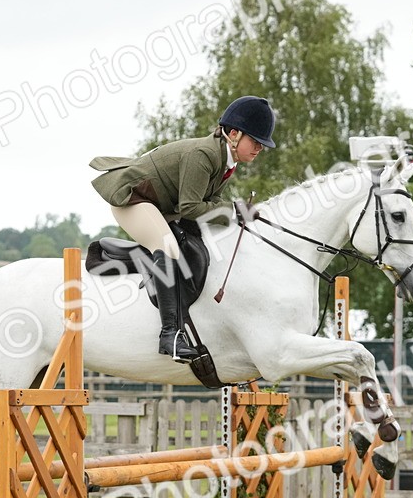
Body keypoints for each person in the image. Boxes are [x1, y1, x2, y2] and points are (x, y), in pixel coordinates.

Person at [89, 95, 276, 362]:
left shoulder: (226, 161)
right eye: (256, 141)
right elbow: (190, 208)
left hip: (160, 206)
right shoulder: (204, 155)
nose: (260, 148)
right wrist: (233, 211)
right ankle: (171, 336)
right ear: (234, 134)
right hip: (132, 199)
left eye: (262, 144)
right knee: (166, 245)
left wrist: (234, 214)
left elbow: (207, 203)